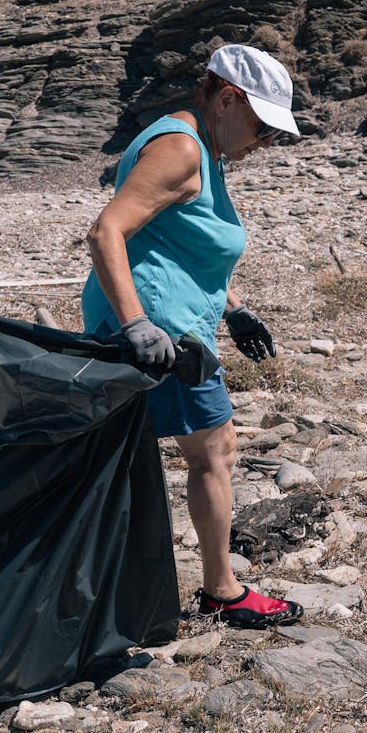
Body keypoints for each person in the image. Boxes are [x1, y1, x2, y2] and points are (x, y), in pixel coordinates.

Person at [81, 43, 304, 629]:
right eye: (263, 127)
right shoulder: (181, 149)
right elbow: (107, 231)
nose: (267, 143)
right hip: (160, 334)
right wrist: (135, 326)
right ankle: (222, 590)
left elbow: (180, 248)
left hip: (170, 324)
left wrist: (234, 309)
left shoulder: (203, 146)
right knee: (215, 450)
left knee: (146, 454)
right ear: (228, 98)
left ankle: (114, 583)